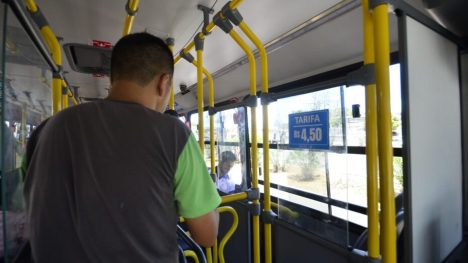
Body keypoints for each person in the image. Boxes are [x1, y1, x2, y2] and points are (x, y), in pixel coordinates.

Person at [23, 32, 221, 263]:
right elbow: (207, 235)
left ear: (112, 79)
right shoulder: (175, 135)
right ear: (163, 82)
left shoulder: (45, 129)